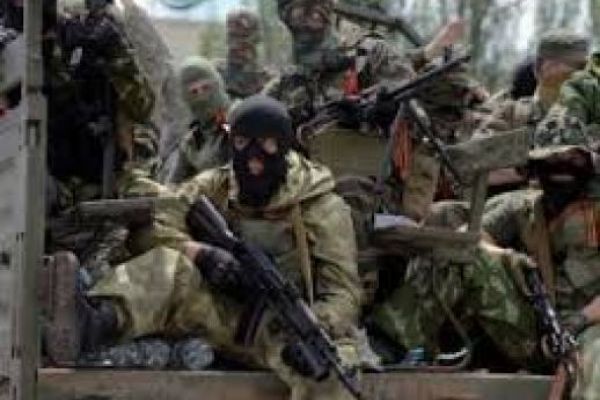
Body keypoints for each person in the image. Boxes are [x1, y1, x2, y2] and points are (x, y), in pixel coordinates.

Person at [43, 95, 363, 400]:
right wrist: (203, 255)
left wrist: (318, 323)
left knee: (330, 374)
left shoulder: (321, 206)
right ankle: (94, 322)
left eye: (266, 145)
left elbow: (345, 293)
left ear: (283, 145)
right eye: (242, 144)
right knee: (169, 265)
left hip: (283, 330)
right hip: (217, 313)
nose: (254, 161)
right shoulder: (216, 185)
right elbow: (157, 225)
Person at [164, 56, 231, 184]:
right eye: (194, 92)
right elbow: (173, 186)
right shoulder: (192, 140)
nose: (202, 97)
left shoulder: (237, 121)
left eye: (206, 88)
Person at [215, 9, 273, 100]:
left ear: (255, 39)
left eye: (243, 36)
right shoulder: (215, 74)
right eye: (232, 36)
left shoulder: (268, 80)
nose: (235, 44)